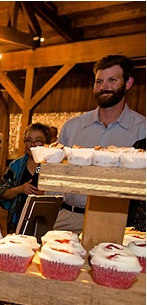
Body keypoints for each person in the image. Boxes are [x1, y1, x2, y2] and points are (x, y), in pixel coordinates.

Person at [55, 54, 146, 232]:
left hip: (118, 223)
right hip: (68, 219)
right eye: (99, 82)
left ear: (128, 83)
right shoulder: (72, 127)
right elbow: (55, 174)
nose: (104, 87)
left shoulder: (143, 129)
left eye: (112, 80)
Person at [0, 122, 51, 233]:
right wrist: (20, 189)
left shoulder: (53, 166)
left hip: (46, 222)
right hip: (18, 221)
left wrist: (46, 193)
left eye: (38, 140)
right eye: (29, 140)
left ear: (47, 143)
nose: (33, 144)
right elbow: (1, 194)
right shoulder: (16, 165)